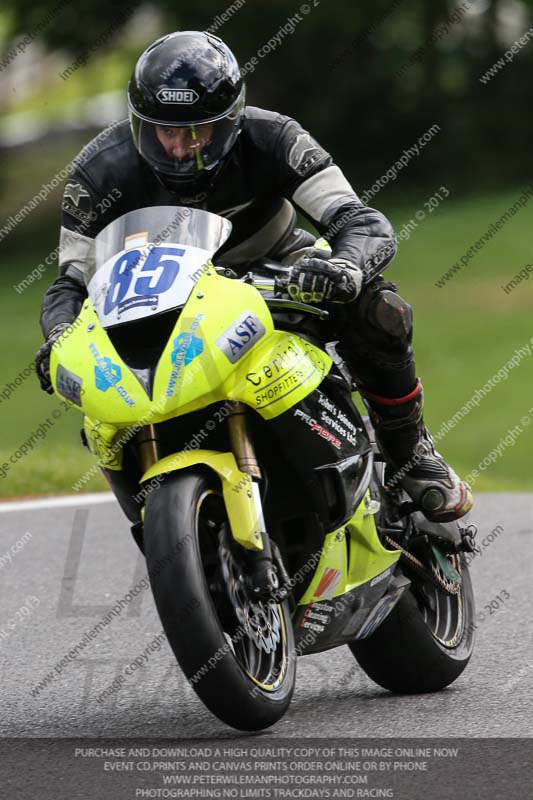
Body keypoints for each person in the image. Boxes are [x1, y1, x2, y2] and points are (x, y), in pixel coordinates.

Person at [35, 30, 472, 523]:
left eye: (197, 133)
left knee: (380, 310)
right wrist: (58, 337)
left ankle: (410, 453)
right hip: (165, 301)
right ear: (140, 125)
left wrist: (345, 270)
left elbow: (360, 222)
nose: (181, 149)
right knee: (98, 403)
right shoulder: (97, 173)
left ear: (230, 122)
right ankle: (164, 518)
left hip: (277, 272)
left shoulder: (275, 137)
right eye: (166, 132)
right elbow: (70, 284)